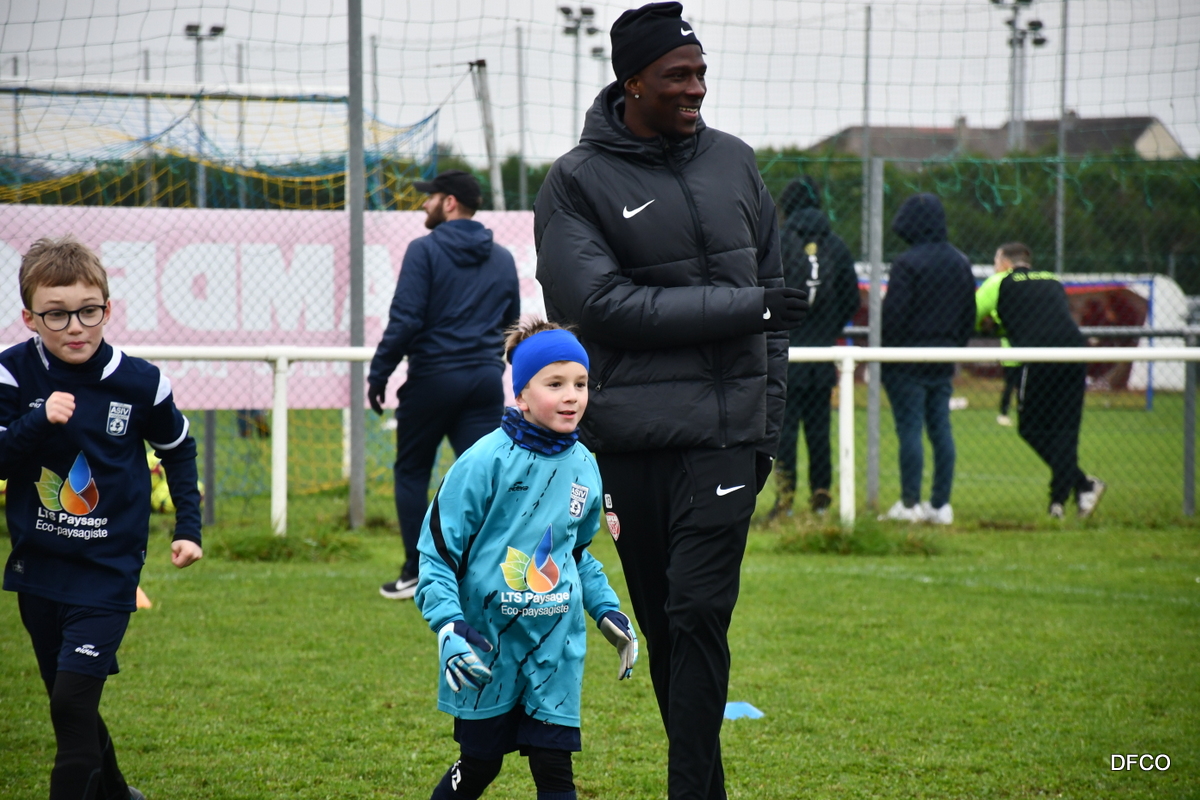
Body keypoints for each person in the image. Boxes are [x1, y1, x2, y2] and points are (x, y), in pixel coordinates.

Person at [533, 4, 807, 797]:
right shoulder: (576, 181)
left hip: (725, 442)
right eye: (677, 75)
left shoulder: (737, 163)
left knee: (697, 614)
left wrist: (764, 435)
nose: (695, 88)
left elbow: (775, 317)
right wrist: (748, 308)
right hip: (628, 444)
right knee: (663, 625)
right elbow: (597, 307)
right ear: (633, 82)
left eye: (701, 73)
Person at [2, 235, 203, 800]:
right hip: (38, 568)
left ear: (108, 309)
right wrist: (38, 420)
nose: (75, 327)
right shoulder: (13, 375)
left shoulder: (141, 383)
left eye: (88, 311)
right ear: (29, 318)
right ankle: (117, 793)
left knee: (70, 704)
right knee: (68, 701)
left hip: (108, 570)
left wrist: (188, 527)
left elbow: (179, 449)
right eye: (56, 314)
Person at [414, 320, 638, 800]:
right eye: (554, 384)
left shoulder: (585, 465)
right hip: (485, 647)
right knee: (480, 765)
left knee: (555, 772)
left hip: (555, 650)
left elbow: (576, 554)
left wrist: (606, 608)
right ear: (521, 395)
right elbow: (436, 555)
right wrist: (449, 625)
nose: (571, 396)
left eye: (580, 384)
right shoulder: (484, 461)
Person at [368, 170, 521, 600]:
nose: (424, 203)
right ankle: (488, 570)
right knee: (485, 480)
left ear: (449, 202)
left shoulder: (424, 249)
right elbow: (511, 323)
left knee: (412, 471)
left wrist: (379, 372)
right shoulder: (503, 258)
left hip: (433, 379)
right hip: (484, 382)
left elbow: (405, 320)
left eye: (430, 196)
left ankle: (417, 572)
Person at [975, 242, 1106, 518]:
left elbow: (971, 315)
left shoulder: (998, 282)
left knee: (1030, 428)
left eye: (996, 262)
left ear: (1005, 263)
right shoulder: (1052, 280)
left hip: (1040, 356)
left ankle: (1080, 486)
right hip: (1074, 353)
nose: (995, 268)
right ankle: (1061, 501)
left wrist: (992, 325)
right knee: (1065, 429)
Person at [879, 193, 976, 525]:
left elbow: (894, 315)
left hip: (907, 359)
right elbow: (969, 312)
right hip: (944, 357)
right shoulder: (960, 261)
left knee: (910, 429)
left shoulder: (907, 263)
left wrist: (887, 354)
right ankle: (941, 505)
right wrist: (953, 346)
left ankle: (910, 503)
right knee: (941, 429)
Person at [770, 177, 861, 518]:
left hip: (786, 354)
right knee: (819, 429)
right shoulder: (835, 245)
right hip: (823, 356)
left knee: (785, 432)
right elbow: (852, 298)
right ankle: (821, 495)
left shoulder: (779, 242)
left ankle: (785, 500)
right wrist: (827, 330)